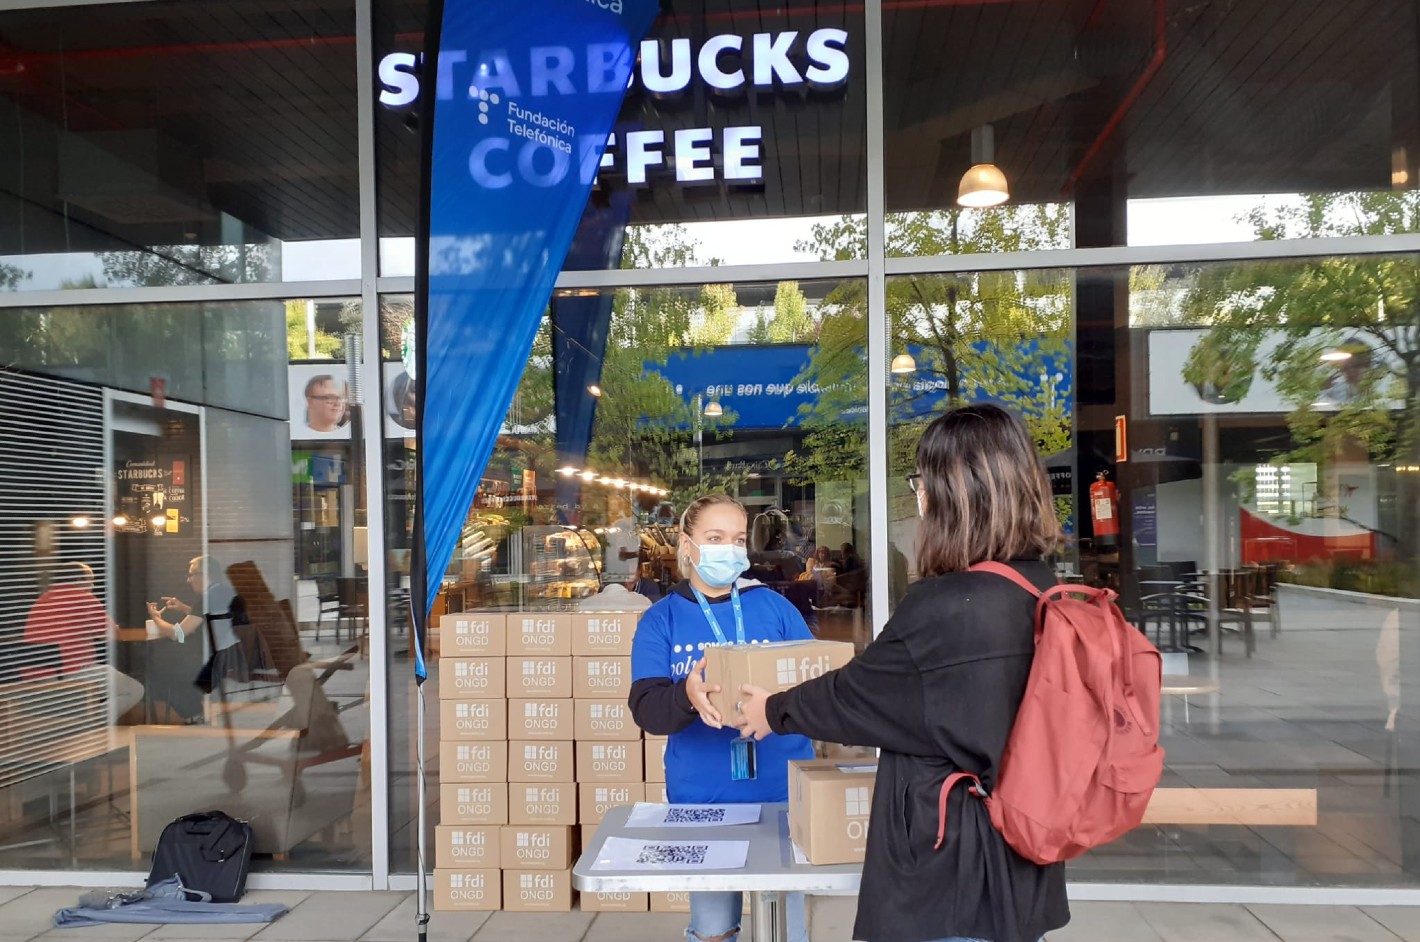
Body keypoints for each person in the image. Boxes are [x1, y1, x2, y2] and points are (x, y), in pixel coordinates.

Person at [735, 404, 1070, 942]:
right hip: (1023, 852)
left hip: (949, 867)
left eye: (922, 481)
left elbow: (858, 694)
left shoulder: (948, 606)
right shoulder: (1040, 587)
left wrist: (773, 710)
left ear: (952, 494)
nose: (920, 495)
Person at [628, 494, 813, 942]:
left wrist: (779, 708)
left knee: (786, 928)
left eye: (737, 539)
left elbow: (817, 684)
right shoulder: (661, 619)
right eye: (714, 538)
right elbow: (646, 708)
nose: (728, 549)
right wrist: (686, 696)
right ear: (686, 544)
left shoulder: (774, 607)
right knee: (713, 929)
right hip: (703, 801)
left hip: (783, 795)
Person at [24, 561, 144, 716]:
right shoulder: (83, 598)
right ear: (79, 580)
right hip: (69, 673)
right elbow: (112, 633)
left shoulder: (42, 600)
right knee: (134, 689)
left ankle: (88, 718)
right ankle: (96, 721)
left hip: (35, 676)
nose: (93, 585)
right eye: (90, 580)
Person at [147, 556, 251, 693]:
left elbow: (178, 634)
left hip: (207, 663)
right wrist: (183, 608)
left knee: (156, 667)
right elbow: (212, 617)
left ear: (203, 575)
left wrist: (155, 617)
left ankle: (179, 704)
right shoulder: (226, 592)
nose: (188, 580)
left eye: (191, 575)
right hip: (231, 658)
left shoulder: (207, 599)